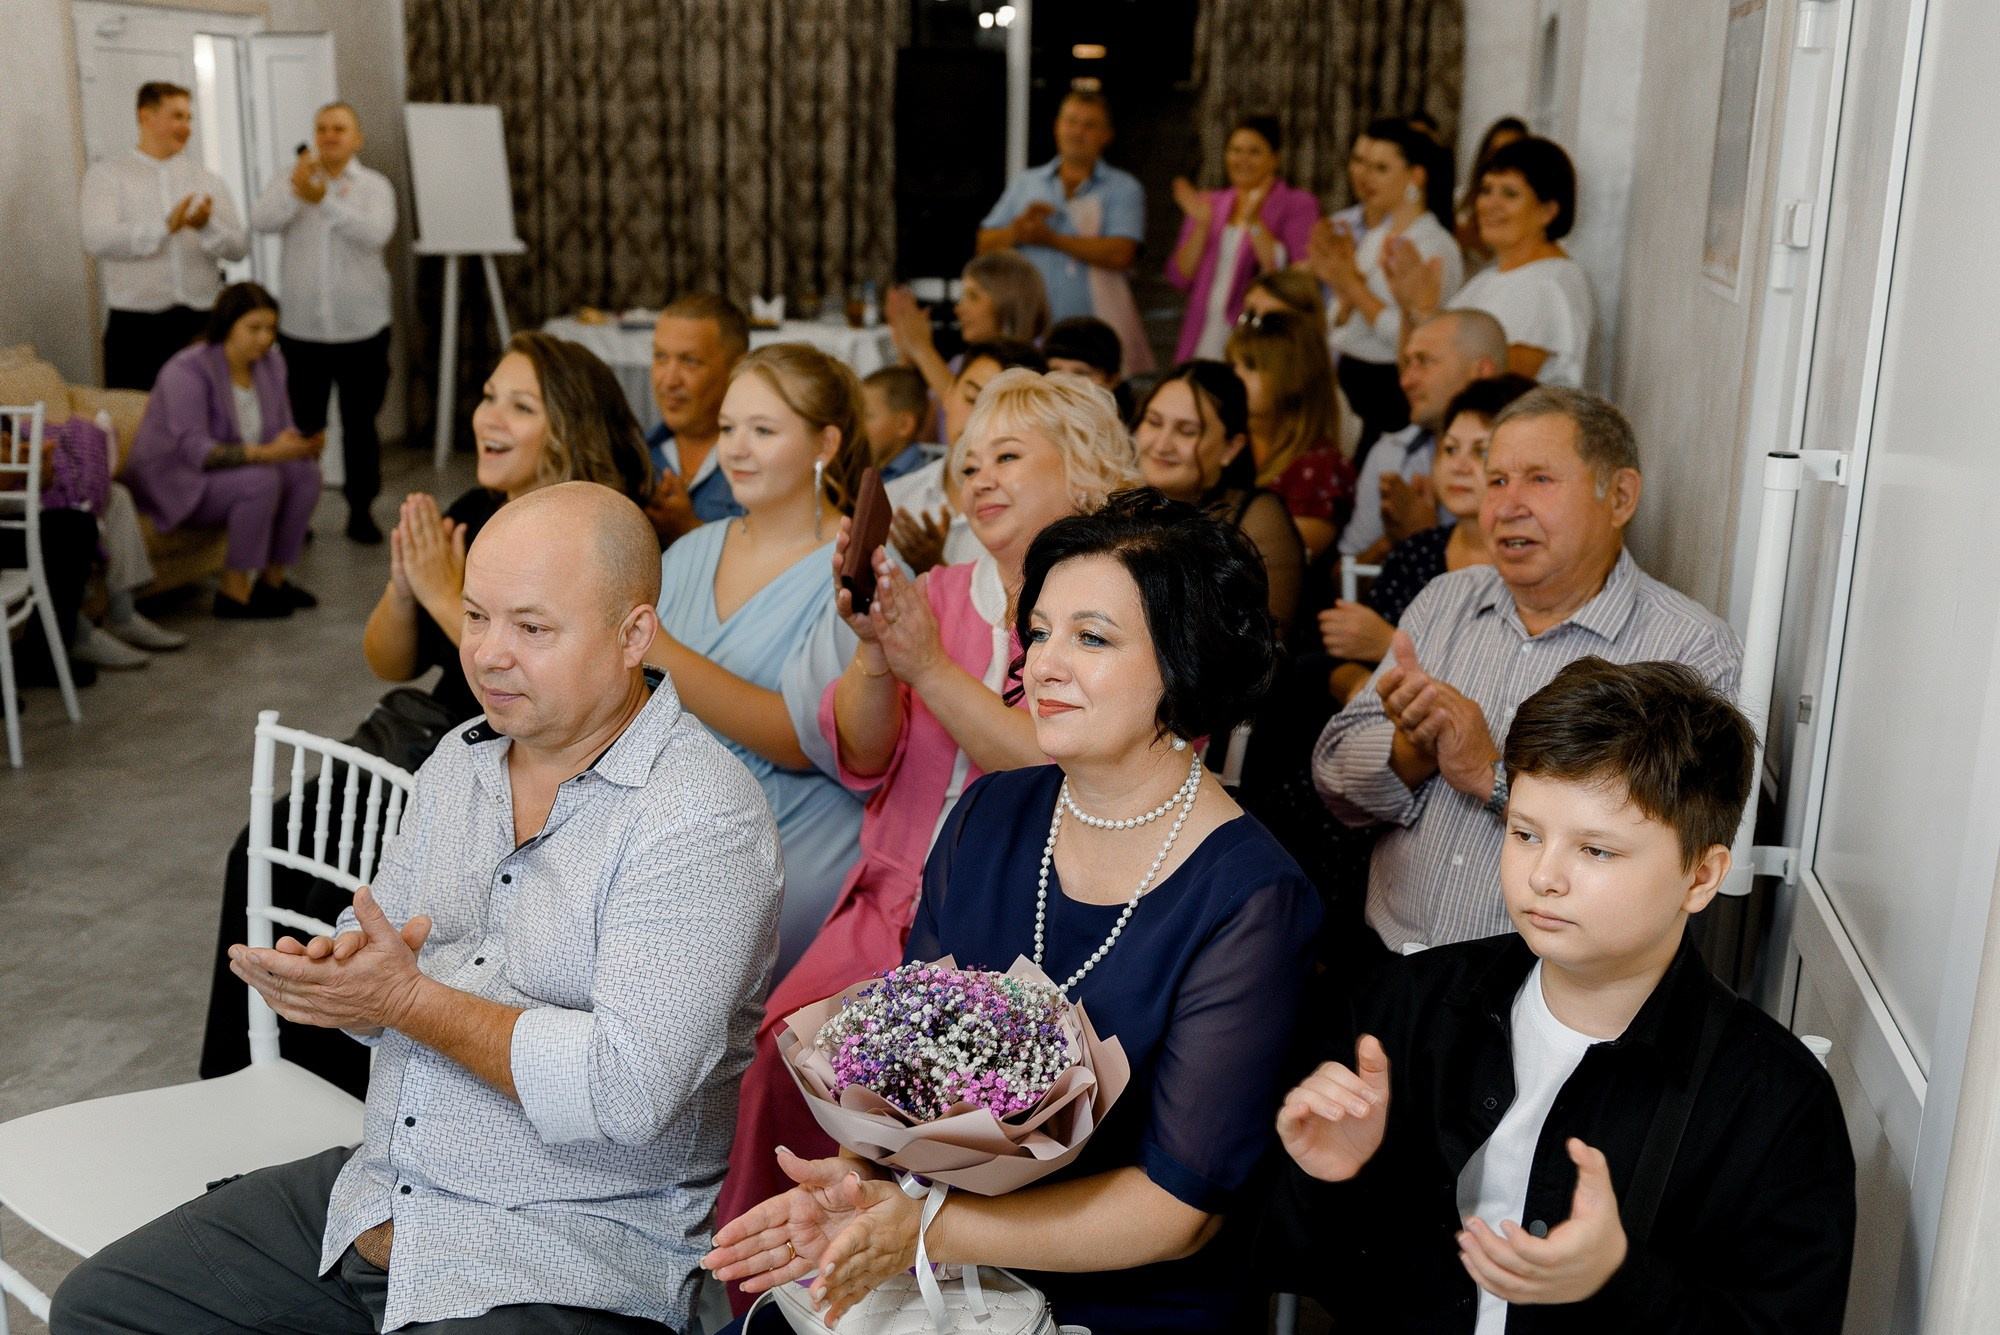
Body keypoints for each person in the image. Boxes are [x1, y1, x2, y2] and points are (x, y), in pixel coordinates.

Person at [54, 483, 784, 1335]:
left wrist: (405, 1000)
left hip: (566, 1243)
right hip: (385, 1187)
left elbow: (625, 1089)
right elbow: (392, 959)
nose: (488, 655)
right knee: (102, 1309)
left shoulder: (702, 816)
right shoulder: (460, 759)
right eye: (475, 616)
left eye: (531, 627)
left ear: (634, 635)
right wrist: (344, 983)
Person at [708, 491, 1321, 1333]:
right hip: (937, 1266)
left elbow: (1181, 1210)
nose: (1044, 664)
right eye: (1038, 632)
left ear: (1186, 663)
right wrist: (858, 1187)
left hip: (1123, 1298)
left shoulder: (1253, 897)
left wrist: (927, 1231)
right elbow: (893, 1067)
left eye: (1092, 637)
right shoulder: (991, 814)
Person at [1270, 658, 1856, 1333]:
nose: (1543, 875)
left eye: (1596, 851)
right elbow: (1314, 1270)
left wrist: (1619, 1278)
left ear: (1701, 875)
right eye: (1524, 833)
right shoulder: (1409, 1005)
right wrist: (1335, 1176)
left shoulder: (1776, 1098)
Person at [714, 369, 1143, 1274]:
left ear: (1088, 471)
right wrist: (877, 654)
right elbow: (865, 755)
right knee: (780, 1078)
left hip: (1038, 935)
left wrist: (931, 666)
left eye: (1009, 456)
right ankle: (787, 1298)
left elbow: (1072, 772)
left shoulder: (1124, 613)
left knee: (947, 1110)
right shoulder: (941, 590)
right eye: (968, 461)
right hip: (891, 911)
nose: (978, 476)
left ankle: (917, 1275)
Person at [201, 330, 658, 1095]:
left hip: (499, 750)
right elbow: (388, 658)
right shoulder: (475, 508)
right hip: (420, 735)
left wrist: (451, 596)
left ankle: (353, 1093)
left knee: (350, 897)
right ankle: (242, 1077)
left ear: (569, 426)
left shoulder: (598, 538)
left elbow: (526, 671)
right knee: (265, 847)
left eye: (520, 405)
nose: (490, 417)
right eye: (487, 397)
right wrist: (407, 587)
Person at [1313, 387, 1744, 954]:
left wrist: (1490, 773)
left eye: (1539, 480)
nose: (1506, 507)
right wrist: (1413, 749)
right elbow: (1333, 780)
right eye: (1496, 481)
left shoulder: (1688, 647)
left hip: (1548, 988)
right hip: (1390, 963)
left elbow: (1667, 848)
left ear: (1619, 497)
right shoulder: (1446, 601)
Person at [650, 344, 869, 985]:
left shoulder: (856, 567)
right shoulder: (689, 552)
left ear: (824, 441)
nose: (735, 450)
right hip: (666, 813)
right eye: (727, 429)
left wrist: (661, 651)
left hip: (784, 832)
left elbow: (808, 740)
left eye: (763, 430)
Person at [1320, 374, 1535, 705]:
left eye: (1481, 452)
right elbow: (1347, 659)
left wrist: (1392, 646)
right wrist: (1363, 688)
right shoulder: (1419, 550)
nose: (1458, 466)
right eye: (1449, 449)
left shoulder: (1530, 564)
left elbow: (1512, 678)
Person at [122, 282, 324, 619]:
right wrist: (269, 454)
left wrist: (301, 444)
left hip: (233, 471)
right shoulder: (186, 370)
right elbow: (196, 452)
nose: (265, 338)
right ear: (227, 325)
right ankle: (234, 591)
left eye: (271, 328)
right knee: (261, 480)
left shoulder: (272, 365)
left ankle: (272, 582)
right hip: (179, 479)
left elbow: (279, 429)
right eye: (254, 328)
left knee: (305, 475)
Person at [249, 101, 397, 544]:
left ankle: (361, 510)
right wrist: (297, 192)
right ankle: (300, 511)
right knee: (304, 426)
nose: (330, 135)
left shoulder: (374, 185)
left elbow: (377, 234)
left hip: (363, 328)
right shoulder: (290, 181)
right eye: (322, 128)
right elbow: (260, 222)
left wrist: (325, 202)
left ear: (356, 139)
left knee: (360, 425)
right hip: (302, 330)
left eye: (340, 128)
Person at [1311, 118, 1464, 458]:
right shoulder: (1380, 233)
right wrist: (1342, 277)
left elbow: (1410, 333)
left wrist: (1349, 282)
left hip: (1388, 390)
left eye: (1381, 168)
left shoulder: (1433, 245)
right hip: (1352, 381)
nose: (1365, 178)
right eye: (1363, 164)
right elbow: (1341, 318)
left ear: (1415, 176)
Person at [80, 82, 249, 392]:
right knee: (138, 428)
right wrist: (164, 227)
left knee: (204, 422)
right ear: (147, 116)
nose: (186, 127)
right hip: (136, 329)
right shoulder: (107, 176)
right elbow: (96, 239)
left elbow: (239, 248)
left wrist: (206, 226)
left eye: (188, 118)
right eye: (177, 117)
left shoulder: (207, 181)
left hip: (201, 324)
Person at [1392, 136, 1595, 387]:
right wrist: (1408, 307)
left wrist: (1424, 311)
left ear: (1548, 211)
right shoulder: (1486, 279)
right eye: (1486, 190)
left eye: (1510, 194)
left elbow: (1490, 386)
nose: (1490, 204)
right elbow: (1415, 376)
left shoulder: (1550, 283)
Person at [976, 89, 1151, 372]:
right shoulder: (1026, 184)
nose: (1077, 132)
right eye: (1071, 121)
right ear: (1057, 126)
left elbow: (1122, 254)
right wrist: (1017, 231)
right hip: (1027, 330)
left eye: (1089, 124)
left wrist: (1051, 239)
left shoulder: (1124, 188)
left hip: (1091, 335)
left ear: (1107, 135)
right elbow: (983, 246)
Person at [1135, 360, 1304, 637]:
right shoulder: (1124, 504)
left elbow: (1267, 645)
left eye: (1187, 431)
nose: (1162, 445)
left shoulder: (1257, 517)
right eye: (1153, 422)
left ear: (1231, 447)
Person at [1338, 309, 1506, 562]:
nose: (1405, 381)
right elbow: (1343, 580)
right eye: (1407, 364)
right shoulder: (1390, 452)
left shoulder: (1524, 459)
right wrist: (1393, 542)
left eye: (1424, 361)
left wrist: (1427, 537)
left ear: (1481, 372)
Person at [883, 338, 1048, 575]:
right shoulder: (897, 497)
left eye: (995, 408)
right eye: (971, 399)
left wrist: (937, 571)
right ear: (948, 395)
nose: (975, 421)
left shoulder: (1030, 518)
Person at [1167, 114, 1320, 363]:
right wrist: (1203, 226)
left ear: (1275, 158)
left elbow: (1294, 277)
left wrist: (1254, 223)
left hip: (1259, 332)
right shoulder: (1209, 203)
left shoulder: (1298, 204)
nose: (1242, 160)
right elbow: (1180, 277)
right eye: (1235, 150)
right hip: (1203, 329)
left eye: (1254, 152)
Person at [1225, 308, 1354, 560]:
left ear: (1294, 378)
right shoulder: (1227, 443)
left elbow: (1280, 557)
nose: (1234, 377)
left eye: (1251, 366)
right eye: (1231, 364)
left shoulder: (1318, 466)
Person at [886, 249, 1050, 429]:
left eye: (973, 296)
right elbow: (923, 430)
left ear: (1008, 301)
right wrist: (907, 356)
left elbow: (979, 420)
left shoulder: (1040, 362)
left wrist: (922, 350)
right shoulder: (960, 363)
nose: (959, 308)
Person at [642, 293, 750, 545]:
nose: (669, 381)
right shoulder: (634, 456)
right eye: (660, 357)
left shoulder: (761, 462)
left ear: (736, 370)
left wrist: (689, 530)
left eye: (690, 361)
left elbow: (780, 567)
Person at [1455, 116, 1530, 269]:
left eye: (1510, 150)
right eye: (1495, 150)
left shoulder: (1527, 203)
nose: (1501, 158)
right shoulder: (1462, 197)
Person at [1042, 315, 1131, 421]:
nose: (1064, 382)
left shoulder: (1128, 434)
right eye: (1055, 371)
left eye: (1080, 373)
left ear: (1111, 380)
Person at [859, 365, 939, 481]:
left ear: (904, 425)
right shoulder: (863, 470)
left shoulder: (919, 483)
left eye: (867, 416)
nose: (857, 425)